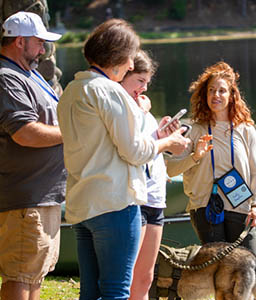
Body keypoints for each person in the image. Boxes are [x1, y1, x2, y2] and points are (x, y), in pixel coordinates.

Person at [57, 19, 190, 300]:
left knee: (90, 292)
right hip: (114, 204)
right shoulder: (109, 91)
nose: (131, 65)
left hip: (82, 204)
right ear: (117, 56)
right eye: (129, 58)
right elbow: (135, 152)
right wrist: (169, 142)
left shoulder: (71, 91)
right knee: (117, 291)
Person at [166, 61, 256, 255]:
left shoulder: (246, 129)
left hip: (241, 205)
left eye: (221, 91)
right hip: (205, 208)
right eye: (211, 90)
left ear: (232, 95)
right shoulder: (194, 130)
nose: (216, 95)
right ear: (205, 94)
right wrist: (196, 156)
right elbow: (170, 170)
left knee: (250, 268)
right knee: (218, 269)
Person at [0, 11, 65, 300]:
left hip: (43, 196)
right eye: (39, 43)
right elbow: (24, 132)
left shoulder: (30, 73)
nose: (43, 50)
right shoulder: (7, 77)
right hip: (25, 198)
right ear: (19, 42)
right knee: (19, 276)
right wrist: (75, 132)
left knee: (34, 274)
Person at [120, 50, 173, 300]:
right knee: (125, 277)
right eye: (139, 81)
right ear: (123, 75)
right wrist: (140, 113)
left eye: (147, 83)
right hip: (135, 199)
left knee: (146, 277)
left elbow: (149, 147)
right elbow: (130, 148)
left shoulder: (143, 108)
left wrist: (161, 135)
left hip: (155, 198)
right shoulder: (123, 107)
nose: (143, 88)